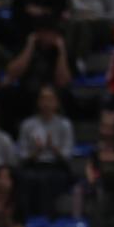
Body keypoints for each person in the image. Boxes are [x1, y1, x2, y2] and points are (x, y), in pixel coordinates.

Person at [17, 86, 74, 216]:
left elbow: (67, 156)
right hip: (34, 164)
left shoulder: (65, 125)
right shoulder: (27, 124)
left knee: (48, 180)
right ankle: (26, 217)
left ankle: (47, 217)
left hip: (56, 165)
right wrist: (37, 151)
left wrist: (52, 147)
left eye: (50, 99)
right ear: (38, 102)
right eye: (43, 99)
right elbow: (22, 156)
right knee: (25, 178)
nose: (46, 103)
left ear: (57, 103)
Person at [64, 0, 114, 69]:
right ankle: (69, 59)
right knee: (75, 25)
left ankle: (79, 59)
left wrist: (96, 16)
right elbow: (71, 9)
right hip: (77, 24)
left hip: (100, 26)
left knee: (84, 25)